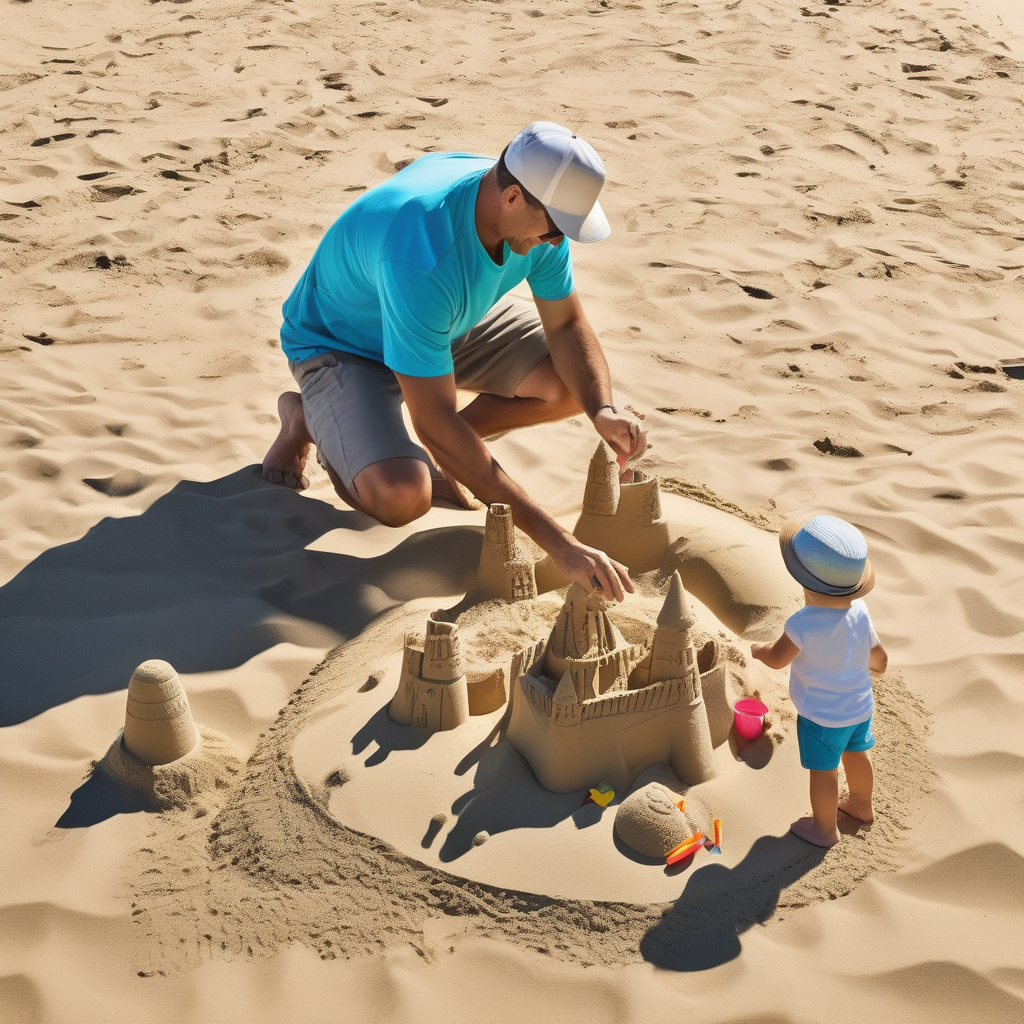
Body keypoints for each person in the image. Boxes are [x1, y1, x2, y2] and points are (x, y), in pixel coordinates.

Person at [262, 121, 646, 601]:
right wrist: (560, 544)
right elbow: (436, 419)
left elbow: (566, 327)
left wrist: (603, 411)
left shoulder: (518, 205)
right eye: (555, 226)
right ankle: (308, 416)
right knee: (403, 494)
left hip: (441, 321)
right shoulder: (421, 252)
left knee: (575, 389)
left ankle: (447, 454)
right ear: (511, 200)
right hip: (343, 343)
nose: (556, 241)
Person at [750, 515, 888, 848]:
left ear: (802, 580)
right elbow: (879, 661)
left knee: (824, 772)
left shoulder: (803, 623)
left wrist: (757, 650)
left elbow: (777, 658)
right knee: (857, 754)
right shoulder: (860, 612)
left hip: (821, 717)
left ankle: (825, 830)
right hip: (859, 707)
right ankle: (861, 806)